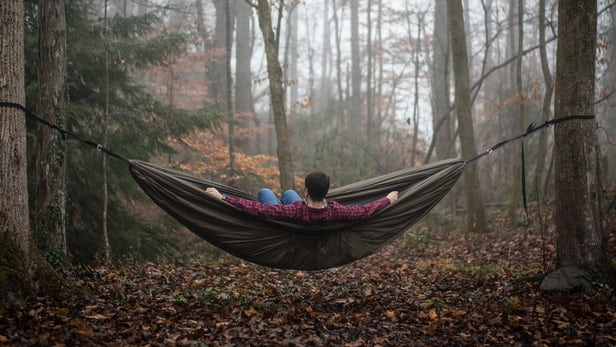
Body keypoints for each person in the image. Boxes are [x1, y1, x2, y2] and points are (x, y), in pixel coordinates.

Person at [205, 171, 398, 223]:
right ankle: (286, 195)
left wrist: (223, 197)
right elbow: (365, 211)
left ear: (306, 191)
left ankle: (275, 195)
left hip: (288, 220)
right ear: (326, 193)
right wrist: (387, 199)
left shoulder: (293, 211)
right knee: (289, 193)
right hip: (311, 215)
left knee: (265, 193)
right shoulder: (335, 211)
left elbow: (257, 208)